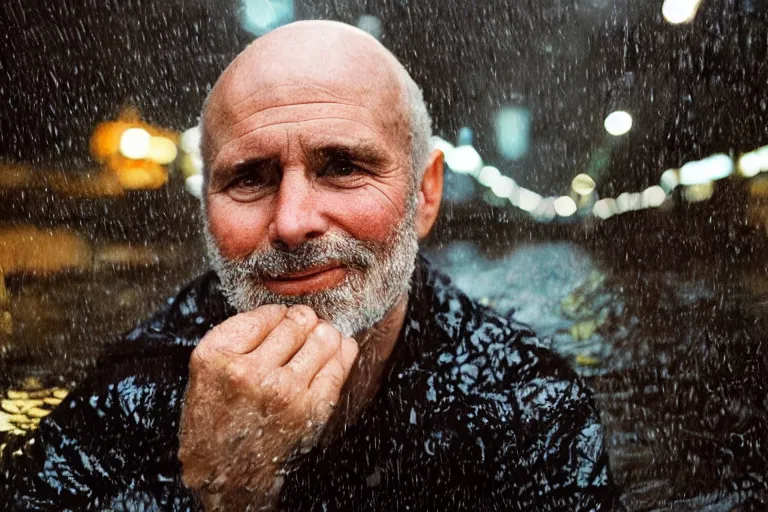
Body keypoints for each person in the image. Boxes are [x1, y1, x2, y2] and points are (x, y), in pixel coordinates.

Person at [0, 20, 623, 511]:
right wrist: (214, 498)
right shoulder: (137, 386)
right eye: (249, 177)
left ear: (425, 194)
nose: (292, 221)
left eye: (343, 167)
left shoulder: (524, 400)